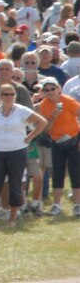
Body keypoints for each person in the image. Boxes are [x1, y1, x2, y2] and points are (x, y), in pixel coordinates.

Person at [0, 84, 47, 227]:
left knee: (16, 183)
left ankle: (13, 218)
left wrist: (29, 137)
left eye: (11, 94)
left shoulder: (21, 110)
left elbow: (42, 122)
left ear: (15, 96)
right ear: (0, 96)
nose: (9, 97)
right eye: (5, 94)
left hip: (17, 150)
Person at [38, 77, 80, 216]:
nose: (50, 92)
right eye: (47, 89)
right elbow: (46, 129)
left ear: (58, 89)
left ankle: (77, 205)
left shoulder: (68, 101)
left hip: (74, 140)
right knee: (57, 173)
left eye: (52, 88)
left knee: (76, 173)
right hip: (56, 142)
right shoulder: (44, 105)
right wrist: (53, 117)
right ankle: (56, 205)